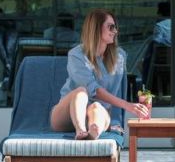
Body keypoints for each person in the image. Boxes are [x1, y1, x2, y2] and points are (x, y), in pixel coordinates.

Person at [51, 9, 149, 140]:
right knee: (81, 91)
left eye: (115, 27)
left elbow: (117, 92)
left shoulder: (119, 56)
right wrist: (128, 105)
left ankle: (93, 133)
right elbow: (94, 90)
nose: (115, 31)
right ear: (96, 28)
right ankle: (81, 131)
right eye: (111, 27)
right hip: (67, 114)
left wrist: (114, 121)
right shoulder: (76, 54)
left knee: (96, 108)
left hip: (97, 112)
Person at [0, 6, 17, 90]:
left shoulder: (10, 27)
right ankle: (8, 72)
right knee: (5, 52)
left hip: (9, 33)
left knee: (9, 50)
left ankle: (7, 75)